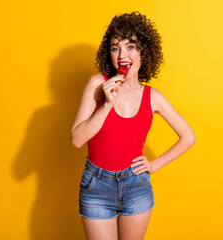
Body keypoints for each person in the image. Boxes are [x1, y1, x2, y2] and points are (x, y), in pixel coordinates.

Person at [71, 11, 196, 240]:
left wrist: (154, 165)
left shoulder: (153, 97)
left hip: (136, 186)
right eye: (115, 47)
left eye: (130, 47)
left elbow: (188, 137)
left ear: (143, 52)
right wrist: (107, 105)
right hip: (96, 186)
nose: (121, 54)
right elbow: (77, 139)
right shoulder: (98, 84)